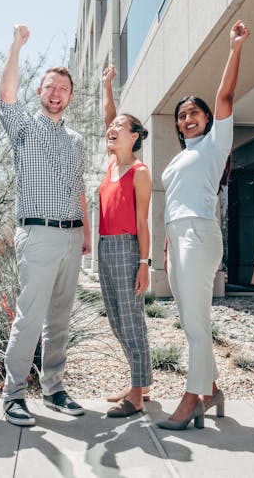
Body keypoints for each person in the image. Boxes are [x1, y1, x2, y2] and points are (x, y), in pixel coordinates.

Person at [157, 20, 249, 430]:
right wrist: (165, 242)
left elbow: (226, 94)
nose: (187, 118)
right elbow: (174, 201)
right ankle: (211, 389)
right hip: (176, 238)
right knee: (193, 320)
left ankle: (192, 399)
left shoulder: (215, 145)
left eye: (194, 112)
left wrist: (234, 48)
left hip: (198, 235)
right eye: (182, 116)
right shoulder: (179, 158)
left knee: (196, 325)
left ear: (209, 118)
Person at [0, 24, 91, 427]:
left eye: (63, 89)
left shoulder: (76, 140)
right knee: (30, 317)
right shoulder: (24, 128)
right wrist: (17, 46)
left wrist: (84, 232)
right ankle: (13, 395)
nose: (56, 94)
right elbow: (6, 95)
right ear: (40, 91)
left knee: (59, 318)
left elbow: (79, 187)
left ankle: (54, 389)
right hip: (37, 234)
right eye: (50, 87)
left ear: (70, 97)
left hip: (72, 235)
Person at [97, 64, 154, 417]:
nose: (113, 130)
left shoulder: (139, 172)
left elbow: (144, 221)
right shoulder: (111, 164)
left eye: (121, 128)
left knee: (131, 318)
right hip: (105, 246)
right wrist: (106, 87)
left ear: (135, 136)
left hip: (127, 246)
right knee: (117, 319)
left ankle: (136, 394)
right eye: (112, 128)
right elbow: (109, 118)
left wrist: (145, 264)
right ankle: (141, 382)